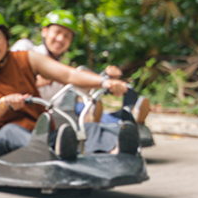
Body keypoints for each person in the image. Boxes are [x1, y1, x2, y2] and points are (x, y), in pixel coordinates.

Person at [0, 8, 140, 160]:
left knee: (89, 127)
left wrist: (104, 82)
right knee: (12, 131)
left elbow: (68, 74)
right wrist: (3, 104)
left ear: (5, 39)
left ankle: (114, 153)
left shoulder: (26, 59)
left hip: (38, 133)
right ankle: (65, 155)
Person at [10, 9, 150, 125]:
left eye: (66, 36)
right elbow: (8, 77)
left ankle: (125, 118)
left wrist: (106, 78)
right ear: (44, 31)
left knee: (80, 106)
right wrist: (34, 79)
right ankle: (113, 121)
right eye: (57, 32)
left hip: (62, 111)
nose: (61, 39)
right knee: (75, 110)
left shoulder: (64, 69)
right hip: (34, 113)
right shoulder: (26, 48)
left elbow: (78, 83)